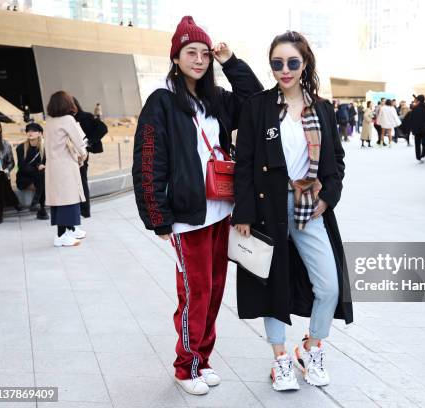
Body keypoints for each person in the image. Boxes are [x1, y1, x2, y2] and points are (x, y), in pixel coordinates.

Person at [131, 16, 262, 395]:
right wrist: (158, 218)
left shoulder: (216, 99)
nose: (200, 60)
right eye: (192, 52)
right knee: (196, 293)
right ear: (176, 57)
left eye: (205, 53)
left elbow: (254, 102)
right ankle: (185, 367)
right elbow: (148, 158)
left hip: (221, 210)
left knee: (216, 290)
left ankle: (202, 360)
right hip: (188, 216)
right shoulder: (162, 101)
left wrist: (231, 61)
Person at [232, 30, 353, 392]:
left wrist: (328, 198)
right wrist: (244, 212)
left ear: (305, 64)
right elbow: (245, 162)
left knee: (329, 286)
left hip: (308, 208)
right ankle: (281, 359)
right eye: (277, 63)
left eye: (292, 63)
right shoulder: (258, 106)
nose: (284, 70)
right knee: (271, 286)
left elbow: (337, 161)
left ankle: (311, 348)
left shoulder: (323, 109)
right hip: (268, 209)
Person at [45, 91, 88, 247]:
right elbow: (78, 141)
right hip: (65, 165)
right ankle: (62, 235)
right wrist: (83, 154)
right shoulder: (68, 119)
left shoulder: (49, 120)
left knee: (59, 201)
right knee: (68, 200)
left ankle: (68, 231)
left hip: (53, 166)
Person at [73, 97, 108, 218]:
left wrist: (89, 141)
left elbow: (103, 128)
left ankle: (85, 210)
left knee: (82, 180)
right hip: (69, 154)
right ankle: (76, 208)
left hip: (83, 153)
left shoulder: (86, 116)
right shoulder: (65, 119)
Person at [16, 122, 49, 220]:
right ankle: (40, 209)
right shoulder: (21, 148)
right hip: (24, 179)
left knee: (42, 177)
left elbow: (47, 164)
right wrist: (37, 167)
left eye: (34, 131)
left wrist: (40, 167)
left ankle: (36, 203)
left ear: (40, 133)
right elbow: (22, 167)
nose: (30, 133)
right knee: (42, 179)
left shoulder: (45, 147)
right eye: (28, 131)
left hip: (39, 177)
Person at [409, 95, 425, 162]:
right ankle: (423, 154)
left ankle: (418, 156)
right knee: (424, 142)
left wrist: (412, 129)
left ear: (418, 100)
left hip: (417, 129)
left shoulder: (414, 108)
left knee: (417, 143)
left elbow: (412, 120)